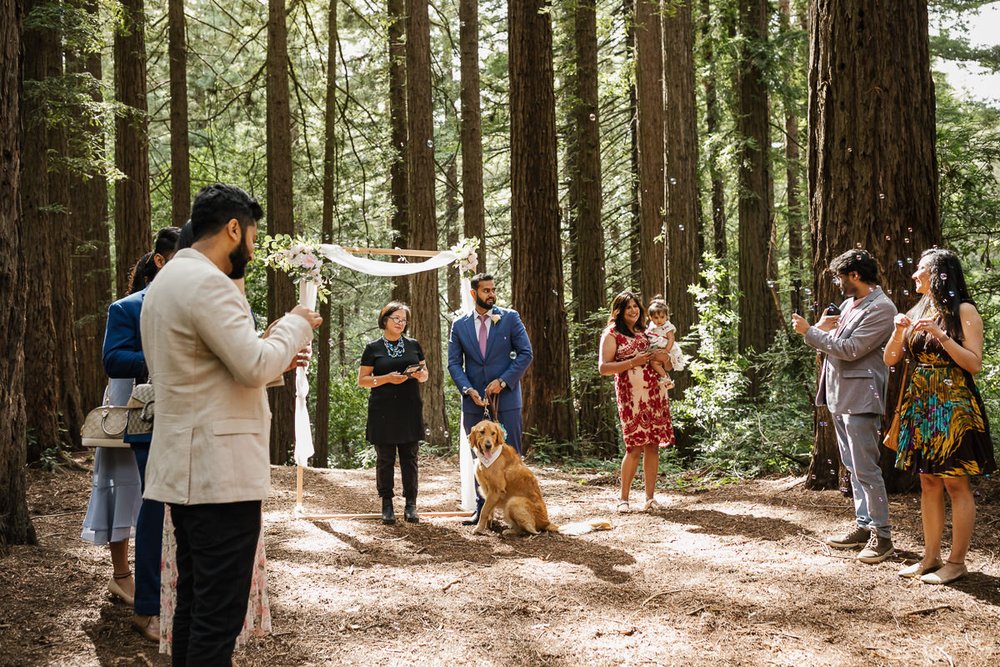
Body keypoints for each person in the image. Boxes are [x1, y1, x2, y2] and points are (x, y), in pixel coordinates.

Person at [141, 183, 321, 664]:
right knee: (218, 618)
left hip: (187, 468)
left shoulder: (168, 282)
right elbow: (253, 366)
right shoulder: (207, 284)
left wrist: (267, 351)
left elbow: (208, 368)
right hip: (218, 478)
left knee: (196, 604)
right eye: (254, 238)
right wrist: (295, 323)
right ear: (233, 229)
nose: (254, 249)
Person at [81, 227, 179, 638]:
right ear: (160, 260)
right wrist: (165, 356)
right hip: (133, 411)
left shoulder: (202, 303)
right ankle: (134, 587)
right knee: (130, 492)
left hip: (187, 414)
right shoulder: (126, 308)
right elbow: (114, 358)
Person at [884, 248, 996, 584]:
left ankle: (956, 562)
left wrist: (941, 335)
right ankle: (929, 558)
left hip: (954, 406)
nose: (915, 274)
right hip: (921, 404)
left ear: (939, 273)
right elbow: (891, 359)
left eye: (921, 268)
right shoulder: (919, 309)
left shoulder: (964, 310)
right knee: (928, 481)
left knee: (955, 483)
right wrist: (897, 330)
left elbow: (973, 363)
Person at [792, 248, 897, 563]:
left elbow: (851, 349)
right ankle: (863, 525)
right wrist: (824, 327)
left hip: (862, 397)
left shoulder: (883, 308)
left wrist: (809, 333)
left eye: (840, 277)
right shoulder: (852, 304)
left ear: (855, 275)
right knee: (852, 466)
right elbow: (838, 342)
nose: (838, 284)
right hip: (839, 394)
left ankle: (883, 535)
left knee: (866, 467)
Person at [448, 272, 533, 525]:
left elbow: (525, 353)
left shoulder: (509, 318)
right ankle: (482, 511)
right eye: (486, 290)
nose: (491, 294)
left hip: (505, 400)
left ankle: (516, 512)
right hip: (474, 403)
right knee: (480, 457)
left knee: (511, 457)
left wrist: (503, 381)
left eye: (493, 290)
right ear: (474, 294)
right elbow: (454, 363)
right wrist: (467, 389)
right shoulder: (460, 325)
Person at [598, 291, 675, 513]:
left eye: (636, 306)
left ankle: (650, 498)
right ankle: (624, 499)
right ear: (619, 310)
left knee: (653, 445)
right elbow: (604, 368)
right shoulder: (611, 334)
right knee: (634, 446)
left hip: (655, 394)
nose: (633, 310)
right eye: (628, 307)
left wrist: (666, 358)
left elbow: (667, 365)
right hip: (631, 397)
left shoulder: (646, 332)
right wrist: (633, 361)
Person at [358, 302, 429, 524]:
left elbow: (425, 372)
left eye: (404, 320)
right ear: (385, 319)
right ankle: (387, 504)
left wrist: (420, 375)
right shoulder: (373, 348)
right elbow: (362, 381)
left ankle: (411, 505)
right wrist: (387, 378)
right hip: (383, 410)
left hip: (409, 408)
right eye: (396, 318)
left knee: (410, 458)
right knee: (385, 459)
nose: (400, 323)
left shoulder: (414, 345)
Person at [645, 296, 687, 390]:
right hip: (657, 348)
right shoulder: (651, 326)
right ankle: (666, 379)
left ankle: (666, 378)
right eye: (656, 317)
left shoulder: (667, 326)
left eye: (662, 317)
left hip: (668, 349)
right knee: (653, 363)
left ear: (666, 317)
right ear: (650, 318)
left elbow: (671, 338)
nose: (659, 320)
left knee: (658, 361)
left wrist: (667, 350)